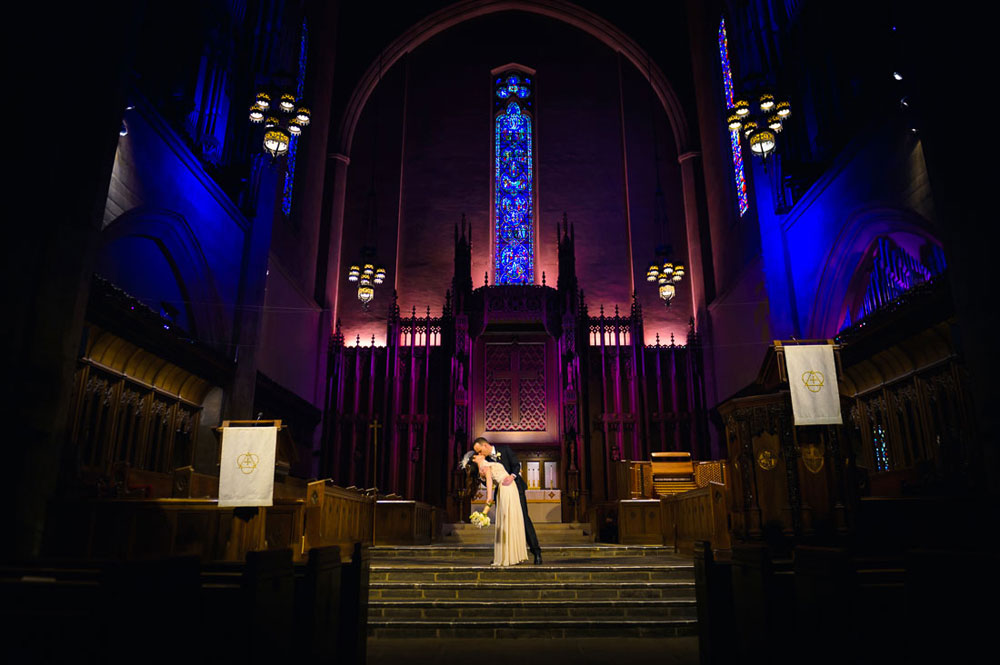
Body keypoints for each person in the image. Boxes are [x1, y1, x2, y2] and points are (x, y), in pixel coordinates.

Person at [473, 437, 542, 564]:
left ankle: (536, 552)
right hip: (502, 492)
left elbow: (516, 465)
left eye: (480, 451)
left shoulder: (504, 449)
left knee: (523, 518)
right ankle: (504, 555)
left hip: (516, 488)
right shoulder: (486, 460)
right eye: (477, 452)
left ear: (486, 445)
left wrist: (512, 476)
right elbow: (488, 481)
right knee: (503, 522)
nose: (479, 454)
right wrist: (482, 477)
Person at [473, 452, 528, 566]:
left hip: (509, 487)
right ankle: (508, 556)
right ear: (474, 459)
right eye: (477, 454)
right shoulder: (485, 467)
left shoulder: (488, 464)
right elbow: (489, 488)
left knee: (512, 519)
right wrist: (486, 509)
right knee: (507, 520)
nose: (480, 454)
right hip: (505, 488)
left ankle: (514, 555)